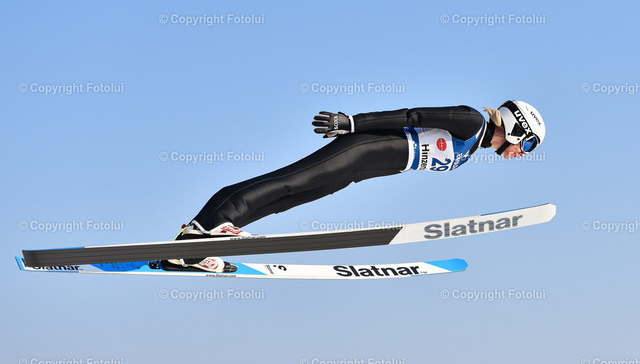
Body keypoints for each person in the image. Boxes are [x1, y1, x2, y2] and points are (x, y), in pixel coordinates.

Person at [161, 100, 546, 272]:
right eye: (527, 145)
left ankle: (191, 250)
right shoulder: (472, 122)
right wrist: (353, 123)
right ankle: (207, 227)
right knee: (288, 182)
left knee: (287, 200)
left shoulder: (473, 149)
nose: (523, 153)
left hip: (360, 170)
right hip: (359, 149)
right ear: (516, 128)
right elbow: (412, 115)